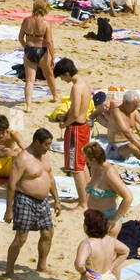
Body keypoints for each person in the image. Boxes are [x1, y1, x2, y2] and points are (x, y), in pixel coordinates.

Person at [5, 128, 62, 278]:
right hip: (24, 199)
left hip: (43, 201)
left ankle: (41, 266)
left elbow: (50, 179)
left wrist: (57, 200)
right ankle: (9, 270)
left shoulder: (45, 156)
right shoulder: (22, 158)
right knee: (21, 237)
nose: (48, 148)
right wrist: (9, 209)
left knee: (48, 233)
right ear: (37, 142)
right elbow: (11, 185)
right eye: (46, 144)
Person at [55, 58, 91, 207]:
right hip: (84, 127)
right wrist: (66, 115)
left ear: (67, 73)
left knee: (76, 168)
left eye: (62, 77)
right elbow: (77, 107)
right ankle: (86, 197)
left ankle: (83, 203)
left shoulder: (76, 87)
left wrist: (65, 124)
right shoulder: (84, 82)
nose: (63, 80)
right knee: (82, 165)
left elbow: (75, 114)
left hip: (76, 128)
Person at [84, 142, 133, 235]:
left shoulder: (109, 174)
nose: (86, 161)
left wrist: (114, 220)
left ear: (93, 159)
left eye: (87, 158)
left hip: (107, 219)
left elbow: (128, 197)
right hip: (92, 218)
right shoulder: (94, 168)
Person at [18, 0, 57, 112]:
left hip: (29, 49)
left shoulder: (26, 21)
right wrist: (52, 56)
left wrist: (26, 47)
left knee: (30, 80)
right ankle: (54, 96)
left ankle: (28, 105)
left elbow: (20, 38)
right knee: (49, 75)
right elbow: (49, 42)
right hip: (42, 50)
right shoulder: (46, 23)